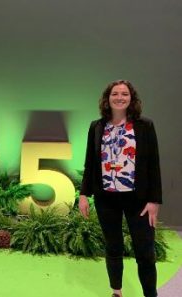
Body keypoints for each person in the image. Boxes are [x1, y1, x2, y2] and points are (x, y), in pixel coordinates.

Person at [79, 80, 162, 297]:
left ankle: (150, 294)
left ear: (131, 99)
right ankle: (116, 291)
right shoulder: (96, 127)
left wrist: (154, 201)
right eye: (115, 93)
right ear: (107, 99)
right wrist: (84, 194)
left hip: (139, 201)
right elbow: (90, 163)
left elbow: (153, 164)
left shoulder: (145, 126)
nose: (119, 97)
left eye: (124, 94)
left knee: (145, 252)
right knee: (113, 248)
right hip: (107, 199)